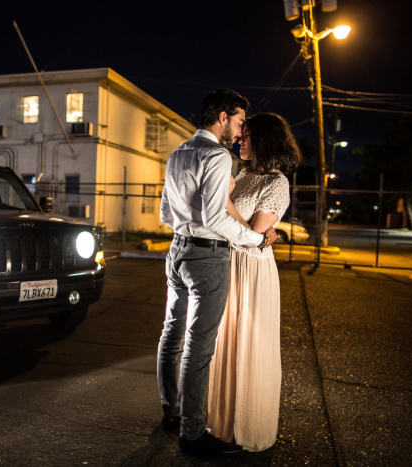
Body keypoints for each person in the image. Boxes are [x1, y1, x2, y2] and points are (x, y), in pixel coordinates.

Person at [158, 89, 277, 458]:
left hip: (176, 250)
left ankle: (171, 413)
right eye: (240, 122)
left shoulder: (179, 152)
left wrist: (185, 227)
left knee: (172, 334)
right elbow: (214, 217)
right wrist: (255, 239)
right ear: (223, 117)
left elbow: (165, 212)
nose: (241, 132)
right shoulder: (216, 155)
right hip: (207, 257)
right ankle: (192, 435)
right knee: (198, 347)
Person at [206, 113, 302, 452]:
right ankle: (220, 422)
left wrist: (226, 202)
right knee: (224, 343)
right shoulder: (244, 174)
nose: (239, 140)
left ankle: (245, 429)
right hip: (228, 266)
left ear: (264, 140)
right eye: (240, 134)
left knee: (246, 344)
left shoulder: (277, 184)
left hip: (252, 272)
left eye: (246, 136)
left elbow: (253, 235)